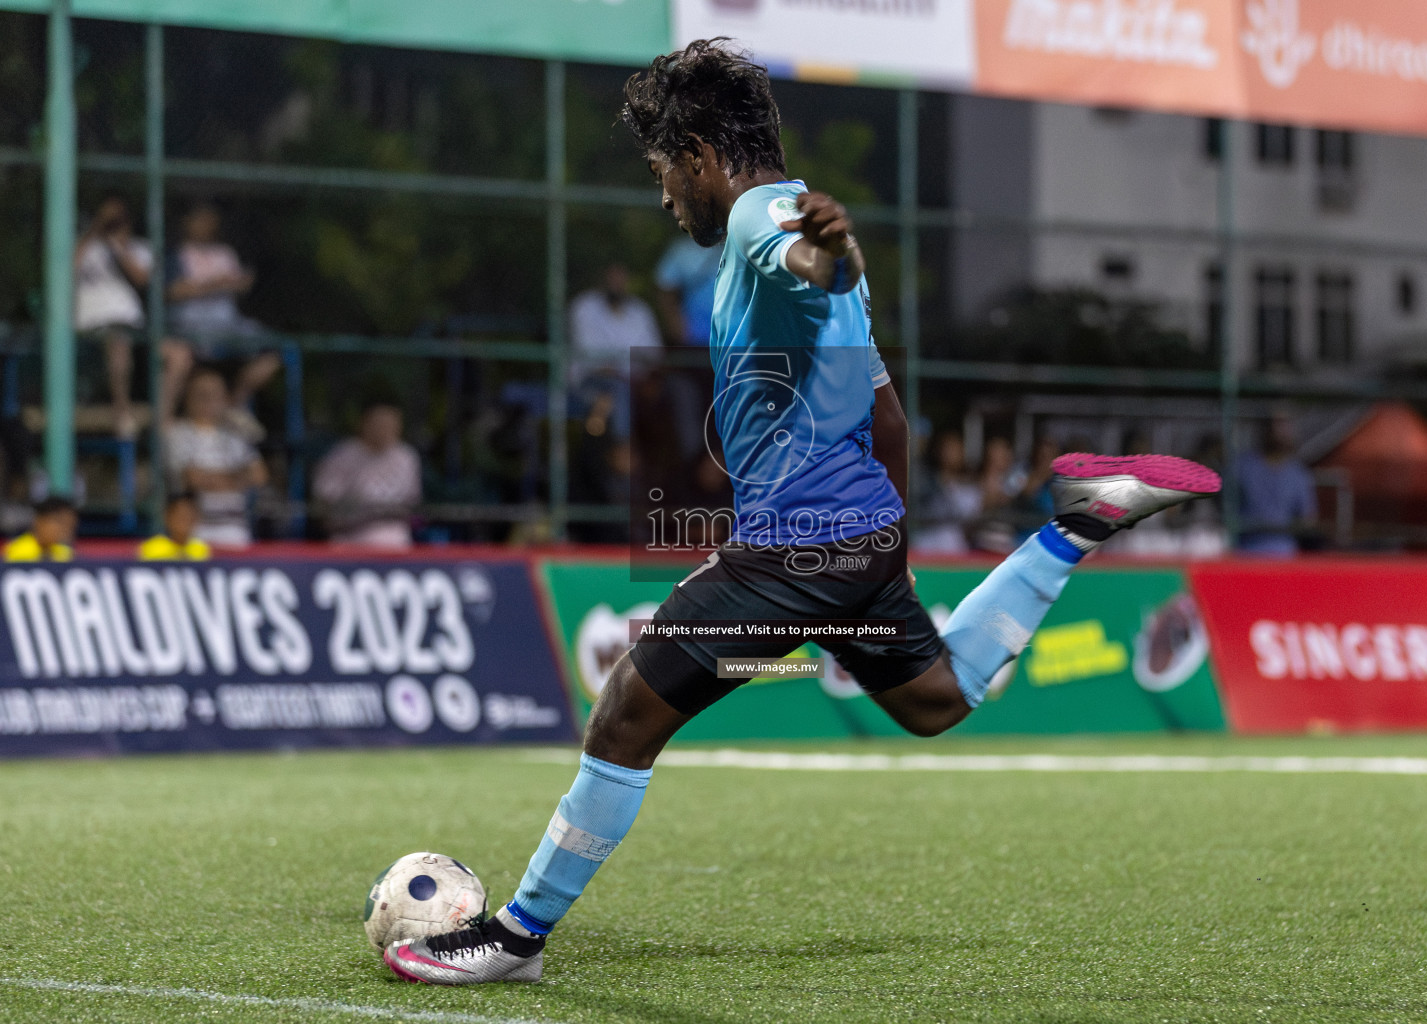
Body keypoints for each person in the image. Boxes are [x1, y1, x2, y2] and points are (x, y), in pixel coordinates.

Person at [381, 39, 1220, 985]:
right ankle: (1074, 523)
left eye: (664, 171)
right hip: (854, 539)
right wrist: (886, 553)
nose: (666, 198)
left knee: (622, 717)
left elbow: (794, 254)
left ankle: (517, 938)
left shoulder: (756, 215)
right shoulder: (816, 259)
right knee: (937, 699)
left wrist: (823, 250)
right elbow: (889, 414)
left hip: (790, 551)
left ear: (699, 151)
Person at [74, 196, 193, 437]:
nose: (112, 223)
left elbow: (141, 279)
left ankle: (163, 420)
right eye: (107, 218)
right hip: (91, 326)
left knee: (179, 354)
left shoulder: (140, 247)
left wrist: (116, 245)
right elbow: (67, 270)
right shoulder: (85, 246)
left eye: (117, 219)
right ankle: (121, 410)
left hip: (133, 325)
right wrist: (95, 231)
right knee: (119, 341)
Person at [167, 201, 280, 439]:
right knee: (179, 356)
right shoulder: (177, 255)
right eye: (200, 219)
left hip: (228, 323)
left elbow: (241, 284)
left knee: (272, 352)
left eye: (209, 220)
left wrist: (239, 283)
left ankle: (234, 404)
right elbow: (172, 292)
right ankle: (166, 419)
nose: (205, 225)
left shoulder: (225, 253)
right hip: (190, 323)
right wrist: (214, 285)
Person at [164, 366, 268, 548]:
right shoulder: (178, 434)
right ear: (189, 397)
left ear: (225, 399)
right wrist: (236, 478)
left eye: (215, 395)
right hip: (196, 534)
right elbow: (192, 478)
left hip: (237, 532)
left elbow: (259, 476)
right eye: (202, 395)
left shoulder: (235, 434)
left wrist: (212, 478)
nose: (209, 401)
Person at [567, 263, 662, 437]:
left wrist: (636, 374)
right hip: (589, 382)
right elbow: (594, 361)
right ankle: (622, 450)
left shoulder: (640, 311)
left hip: (636, 382)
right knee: (617, 391)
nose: (616, 282)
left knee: (672, 392)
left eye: (621, 277)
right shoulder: (585, 306)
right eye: (612, 277)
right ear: (602, 279)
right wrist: (627, 369)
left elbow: (654, 356)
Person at [312, 398, 421, 549]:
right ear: (364, 423)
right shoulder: (341, 455)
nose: (386, 429)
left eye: (391, 423)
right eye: (380, 423)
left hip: (395, 540)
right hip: (350, 538)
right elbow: (324, 503)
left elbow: (412, 503)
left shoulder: (407, 457)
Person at [1234, 415, 1317, 557]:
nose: (1282, 433)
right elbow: (1222, 507)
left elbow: (1308, 519)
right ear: (1265, 430)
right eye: (1277, 426)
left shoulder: (1298, 473)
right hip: (1245, 553)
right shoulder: (1241, 466)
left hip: (1284, 554)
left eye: (1286, 426)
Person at [138, 492, 212, 561]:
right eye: (179, 516)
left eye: (188, 516)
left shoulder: (202, 549)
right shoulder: (151, 548)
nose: (184, 521)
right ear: (167, 517)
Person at [3, 496, 76, 562]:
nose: (63, 530)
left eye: (68, 525)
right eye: (60, 523)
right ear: (39, 521)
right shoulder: (17, 550)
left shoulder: (65, 553)